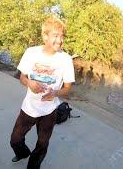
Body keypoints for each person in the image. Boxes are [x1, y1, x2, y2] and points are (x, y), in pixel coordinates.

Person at [10, 16, 75, 169]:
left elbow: (67, 88)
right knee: (15, 139)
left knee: (42, 144)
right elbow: (22, 77)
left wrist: (55, 93)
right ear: (45, 36)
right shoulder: (31, 52)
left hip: (49, 110)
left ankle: (33, 166)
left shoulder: (66, 60)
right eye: (55, 36)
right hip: (29, 108)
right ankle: (22, 153)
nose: (60, 40)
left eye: (62, 36)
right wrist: (29, 83)